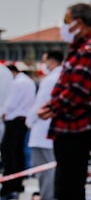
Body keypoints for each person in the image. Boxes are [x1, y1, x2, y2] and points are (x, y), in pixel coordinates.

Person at [37, 3, 91, 200]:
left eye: (66, 22)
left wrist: (52, 107)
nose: (64, 27)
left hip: (77, 127)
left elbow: (78, 89)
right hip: (69, 127)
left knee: (69, 185)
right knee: (66, 183)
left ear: (79, 23)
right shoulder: (80, 48)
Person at [26, 51, 63, 200]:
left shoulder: (50, 79)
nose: (44, 65)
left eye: (45, 61)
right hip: (50, 131)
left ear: (52, 61)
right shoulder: (60, 77)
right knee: (50, 169)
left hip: (42, 130)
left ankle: (48, 197)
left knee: (45, 170)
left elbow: (40, 104)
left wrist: (29, 121)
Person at [1, 63, 36, 200]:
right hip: (24, 121)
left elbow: (11, 103)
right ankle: (18, 182)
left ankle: (10, 185)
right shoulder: (29, 82)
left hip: (14, 120)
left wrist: (3, 113)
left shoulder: (17, 83)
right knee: (19, 153)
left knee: (9, 153)